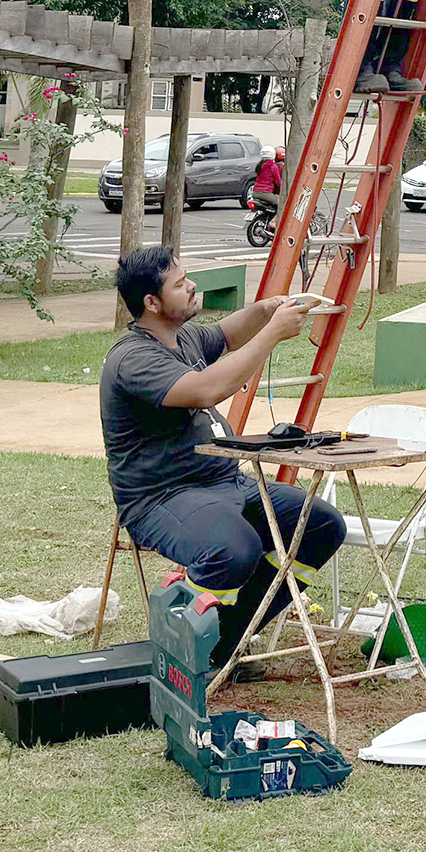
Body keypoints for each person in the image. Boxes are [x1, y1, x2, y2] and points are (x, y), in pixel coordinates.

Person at [100, 245, 345, 669]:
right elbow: (207, 389)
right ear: (152, 303)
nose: (192, 285)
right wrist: (272, 334)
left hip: (226, 482)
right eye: (179, 284)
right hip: (162, 496)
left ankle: (227, 642)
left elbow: (229, 332)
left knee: (321, 525)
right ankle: (183, 654)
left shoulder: (184, 336)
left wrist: (267, 310)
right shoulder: (133, 358)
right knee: (233, 550)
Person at [249, 145, 283, 217]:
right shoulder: (273, 166)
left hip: (255, 193)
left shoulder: (260, 165)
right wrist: (282, 191)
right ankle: (274, 222)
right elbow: (278, 182)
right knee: (282, 203)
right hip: (266, 194)